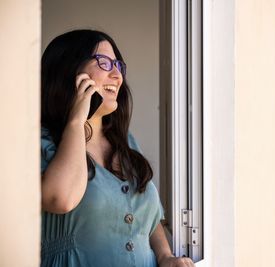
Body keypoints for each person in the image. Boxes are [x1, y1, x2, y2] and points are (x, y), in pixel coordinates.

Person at [40, 29, 194, 267]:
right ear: (69, 70)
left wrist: (165, 256)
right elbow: (60, 198)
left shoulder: (125, 142)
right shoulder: (41, 141)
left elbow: (150, 221)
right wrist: (76, 120)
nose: (117, 75)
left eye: (118, 66)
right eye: (104, 63)